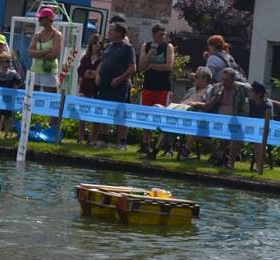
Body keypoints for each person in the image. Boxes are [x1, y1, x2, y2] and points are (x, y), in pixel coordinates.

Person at [189, 67, 250, 169]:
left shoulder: (242, 88)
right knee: (196, 133)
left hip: (233, 122)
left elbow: (259, 95)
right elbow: (207, 106)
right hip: (216, 121)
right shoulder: (217, 88)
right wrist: (214, 98)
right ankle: (219, 154)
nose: (224, 82)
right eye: (223, 79)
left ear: (233, 80)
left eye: (227, 80)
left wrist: (276, 103)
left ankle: (220, 157)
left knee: (233, 133)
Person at [147, 65, 213, 159]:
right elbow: (182, 102)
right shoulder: (192, 90)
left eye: (197, 77)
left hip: (196, 118)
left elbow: (208, 106)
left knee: (184, 125)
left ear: (205, 79)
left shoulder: (210, 90)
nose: (194, 79)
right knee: (167, 123)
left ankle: (184, 151)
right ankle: (155, 151)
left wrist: (193, 104)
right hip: (182, 113)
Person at [90, 22, 136, 149]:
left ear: (119, 33)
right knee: (104, 111)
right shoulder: (109, 46)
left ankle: (121, 142)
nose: (109, 32)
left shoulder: (127, 48)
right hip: (105, 85)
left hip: (120, 86)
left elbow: (132, 68)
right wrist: (98, 75)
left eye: (112, 30)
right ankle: (103, 139)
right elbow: (102, 63)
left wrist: (120, 79)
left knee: (120, 113)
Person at [137, 23, 174, 154]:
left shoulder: (168, 47)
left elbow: (168, 66)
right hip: (148, 86)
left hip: (163, 87)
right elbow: (141, 66)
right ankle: (145, 143)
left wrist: (151, 66)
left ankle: (166, 145)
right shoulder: (146, 46)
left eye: (164, 35)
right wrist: (149, 54)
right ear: (153, 34)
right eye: (160, 34)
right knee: (145, 115)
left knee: (163, 116)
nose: (162, 37)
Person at [247, 81, 280, 172]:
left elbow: (264, 124)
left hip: (266, 131)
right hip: (253, 129)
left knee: (258, 140)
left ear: (258, 94)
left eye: (252, 90)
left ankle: (259, 166)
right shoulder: (249, 102)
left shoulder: (267, 105)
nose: (250, 92)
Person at [0, 50, 22, 138]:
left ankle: (7, 133)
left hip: (9, 100)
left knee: (7, 117)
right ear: (0, 63)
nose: (9, 63)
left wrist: (16, 87)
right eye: (6, 61)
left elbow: (20, 83)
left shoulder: (13, 75)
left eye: (9, 61)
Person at [28, 7, 62, 93]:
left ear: (48, 19)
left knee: (50, 99)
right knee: (31, 98)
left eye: (41, 18)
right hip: (35, 69)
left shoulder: (57, 35)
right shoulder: (37, 34)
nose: (38, 19)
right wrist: (45, 51)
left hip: (49, 72)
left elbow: (54, 55)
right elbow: (29, 53)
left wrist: (36, 54)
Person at [76, 32, 102, 144]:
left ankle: (93, 138)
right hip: (85, 88)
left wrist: (92, 73)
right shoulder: (85, 58)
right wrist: (93, 73)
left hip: (96, 89)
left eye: (99, 43)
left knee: (95, 115)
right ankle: (80, 137)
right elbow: (82, 72)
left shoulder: (102, 59)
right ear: (91, 44)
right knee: (82, 114)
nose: (97, 45)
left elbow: (100, 74)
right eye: (95, 43)